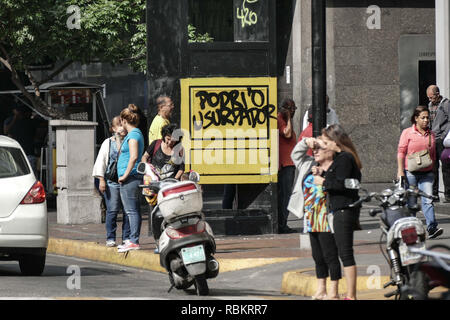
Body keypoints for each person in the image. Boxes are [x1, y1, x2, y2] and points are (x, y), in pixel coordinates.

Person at [288, 136, 342, 300]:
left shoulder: (335, 167)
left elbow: (339, 184)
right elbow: (295, 155)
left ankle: (334, 292)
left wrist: (324, 175)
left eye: (320, 148)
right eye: (315, 148)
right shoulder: (307, 164)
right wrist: (306, 142)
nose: (316, 151)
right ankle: (321, 289)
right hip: (311, 218)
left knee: (330, 255)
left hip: (327, 219)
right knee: (317, 257)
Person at [318, 124, 362, 300]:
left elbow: (341, 184)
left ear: (334, 141)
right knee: (343, 252)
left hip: (344, 209)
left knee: (345, 253)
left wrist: (321, 181)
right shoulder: (341, 158)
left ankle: (351, 296)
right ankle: (350, 295)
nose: (323, 145)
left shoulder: (344, 159)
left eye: (325, 141)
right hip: (340, 208)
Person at [397, 105, 443, 240]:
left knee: (428, 200)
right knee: (411, 202)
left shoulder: (431, 134)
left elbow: (433, 155)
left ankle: (432, 228)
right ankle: (411, 230)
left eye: (427, 118)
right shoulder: (407, 133)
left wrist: (434, 170)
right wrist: (400, 171)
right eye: (422, 118)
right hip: (410, 172)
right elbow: (401, 152)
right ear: (416, 119)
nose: (425, 120)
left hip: (427, 173)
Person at [141, 123, 185, 244]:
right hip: (154, 186)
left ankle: (171, 238)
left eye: (174, 140)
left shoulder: (179, 149)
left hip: (171, 187)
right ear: (164, 135)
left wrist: (174, 179)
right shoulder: (155, 144)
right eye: (168, 138)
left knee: (170, 214)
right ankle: (158, 240)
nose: (170, 142)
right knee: (156, 214)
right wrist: (147, 168)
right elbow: (144, 157)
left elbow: (181, 168)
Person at [92, 116, 130, 247]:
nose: (122, 127)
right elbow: (101, 162)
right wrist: (101, 180)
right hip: (112, 182)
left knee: (127, 211)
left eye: (124, 124)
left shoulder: (130, 141)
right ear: (113, 128)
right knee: (112, 210)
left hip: (127, 182)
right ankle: (110, 237)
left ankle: (126, 238)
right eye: (119, 125)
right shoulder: (108, 143)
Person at [117, 104, 145, 253]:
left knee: (131, 211)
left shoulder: (133, 135)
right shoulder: (133, 134)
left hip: (131, 177)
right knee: (132, 210)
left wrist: (125, 175)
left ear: (123, 120)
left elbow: (134, 156)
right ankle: (131, 239)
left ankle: (133, 240)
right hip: (131, 177)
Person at [426, 85, 450, 202]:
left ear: (437, 94)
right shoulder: (430, 105)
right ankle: (434, 194)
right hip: (432, 139)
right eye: (429, 98)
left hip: (442, 139)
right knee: (433, 167)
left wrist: (444, 134)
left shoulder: (446, 104)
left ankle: (448, 194)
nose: (430, 100)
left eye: (431, 97)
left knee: (446, 167)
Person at [277, 98, 298, 234]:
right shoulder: (280, 119)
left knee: (286, 195)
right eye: (292, 109)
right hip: (285, 164)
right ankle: (282, 224)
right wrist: (289, 118)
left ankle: (283, 222)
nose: (293, 112)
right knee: (285, 195)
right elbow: (288, 133)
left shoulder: (282, 119)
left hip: (288, 163)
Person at [3, 105, 38, 175]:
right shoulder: (10, 120)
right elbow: (6, 132)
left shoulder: (29, 122)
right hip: (16, 153)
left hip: (27, 152)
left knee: (28, 173)